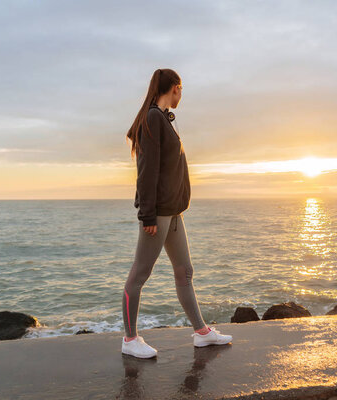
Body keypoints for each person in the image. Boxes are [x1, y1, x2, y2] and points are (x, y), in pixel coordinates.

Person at [122, 68, 232, 358]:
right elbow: (147, 171)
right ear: (173, 88)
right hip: (157, 213)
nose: (182, 94)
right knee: (139, 275)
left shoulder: (164, 119)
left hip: (173, 211)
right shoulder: (153, 118)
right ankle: (130, 339)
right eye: (180, 88)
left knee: (184, 272)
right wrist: (147, 216)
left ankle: (201, 333)